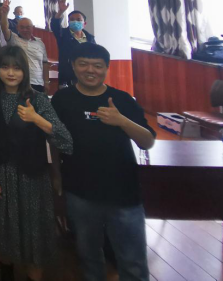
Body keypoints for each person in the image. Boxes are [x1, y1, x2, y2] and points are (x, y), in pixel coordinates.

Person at [0, 46, 73, 281]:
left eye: (16, 68)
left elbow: (66, 141)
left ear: (25, 70)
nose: (11, 73)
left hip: (33, 178)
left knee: (34, 234)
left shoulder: (37, 99)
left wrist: (37, 119)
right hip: (2, 177)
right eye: (5, 67)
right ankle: (6, 271)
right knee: (5, 231)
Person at [51, 43, 155, 281]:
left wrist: (122, 121)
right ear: (73, 66)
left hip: (124, 193)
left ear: (107, 68)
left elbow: (147, 141)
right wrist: (56, 174)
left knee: (133, 261)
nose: (90, 70)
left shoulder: (122, 99)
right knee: (88, 256)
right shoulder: (62, 99)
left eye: (97, 66)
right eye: (83, 64)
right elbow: (55, 140)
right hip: (80, 192)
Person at [0, 0, 50, 92]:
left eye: (28, 27)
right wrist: (4, 14)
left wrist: (46, 82)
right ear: (17, 28)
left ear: (32, 27)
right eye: (22, 27)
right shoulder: (14, 39)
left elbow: (45, 63)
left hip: (38, 83)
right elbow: (4, 28)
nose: (25, 30)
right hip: (20, 82)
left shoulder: (40, 43)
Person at [50, 0, 96, 87]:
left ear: (84, 24)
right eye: (72, 19)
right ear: (69, 22)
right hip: (68, 76)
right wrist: (60, 12)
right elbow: (55, 25)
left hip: (86, 75)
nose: (75, 21)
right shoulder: (62, 34)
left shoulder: (90, 38)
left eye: (78, 20)